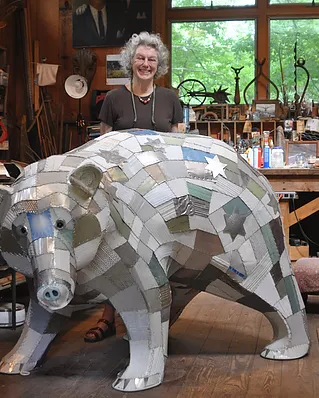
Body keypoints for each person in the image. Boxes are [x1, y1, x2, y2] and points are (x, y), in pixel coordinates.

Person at [84, 32, 183, 343]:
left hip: (159, 190)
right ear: (130, 61)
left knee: (157, 253)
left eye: (152, 59)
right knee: (115, 252)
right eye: (140, 58)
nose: (145, 64)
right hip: (122, 190)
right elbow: (102, 149)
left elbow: (178, 146)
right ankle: (109, 316)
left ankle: (152, 317)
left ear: (159, 65)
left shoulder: (171, 99)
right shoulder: (113, 99)